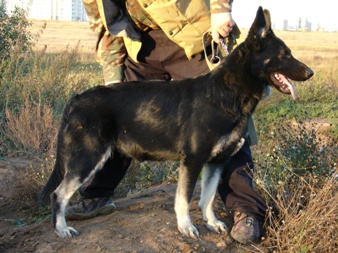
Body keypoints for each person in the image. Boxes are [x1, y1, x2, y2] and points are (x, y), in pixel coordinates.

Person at [67, 0, 267, 244]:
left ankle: (245, 210)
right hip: (140, 45)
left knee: (223, 123)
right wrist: (113, 78)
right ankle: (96, 196)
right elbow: (104, 26)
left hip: (191, 36)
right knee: (122, 118)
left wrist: (220, 8)